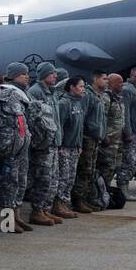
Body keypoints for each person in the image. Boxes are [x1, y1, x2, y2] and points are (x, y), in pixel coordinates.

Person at [25, 61, 64, 225]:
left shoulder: (52, 92)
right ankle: (37, 210)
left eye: (55, 73)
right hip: (43, 145)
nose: (55, 76)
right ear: (43, 75)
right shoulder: (35, 92)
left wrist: (59, 141)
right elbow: (34, 119)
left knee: (53, 179)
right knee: (42, 178)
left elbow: (56, 119)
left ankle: (45, 209)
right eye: (52, 73)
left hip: (54, 143)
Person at [0, 62, 34, 231]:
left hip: (22, 144)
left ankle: (16, 216)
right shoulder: (5, 92)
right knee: (9, 183)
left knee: (20, 181)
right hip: (11, 145)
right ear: (13, 76)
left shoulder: (23, 93)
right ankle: (7, 223)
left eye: (27, 73)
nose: (27, 76)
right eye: (22, 74)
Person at [74, 71, 107, 211]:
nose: (106, 81)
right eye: (104, 78)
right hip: (87, 138)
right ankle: (77, 200)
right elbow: (82, 117)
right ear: (95, 79)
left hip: (95, 139)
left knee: (91, 170)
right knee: (84, 170)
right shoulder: (87, 95)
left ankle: (85, 198)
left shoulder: (97, 96)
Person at [54, 75, 86, 217]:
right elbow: (59, 125)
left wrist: (79, 145)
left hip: (74, 147)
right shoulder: (64, 103)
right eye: (80, 86)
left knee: (71, 177)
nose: (83, 89)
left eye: (83, 86)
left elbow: (79, 127)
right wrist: (59, 145)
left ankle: (64, 204)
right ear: (71, 87)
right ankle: (57, 205)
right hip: (65, 147)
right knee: (63, 177)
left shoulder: (78, 102)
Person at [118, 67, 136, 202]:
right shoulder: (127, 89)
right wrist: (128, 132)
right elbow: (126, 112)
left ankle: (125, 188)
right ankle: (123, 189)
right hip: (132, 133)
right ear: (131, 76)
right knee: (128, 162)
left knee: (133, 162)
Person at [98, 73, 126, 199]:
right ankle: (101, 193)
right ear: (110, 83)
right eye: (119, 82)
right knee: (106, 168)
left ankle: (106, 192)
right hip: (108, 141)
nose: (122, 85)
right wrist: (104, 136)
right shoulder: (106, 98)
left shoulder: (118, 98)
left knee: (115, 167)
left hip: (117, 140)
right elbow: (101, 118)